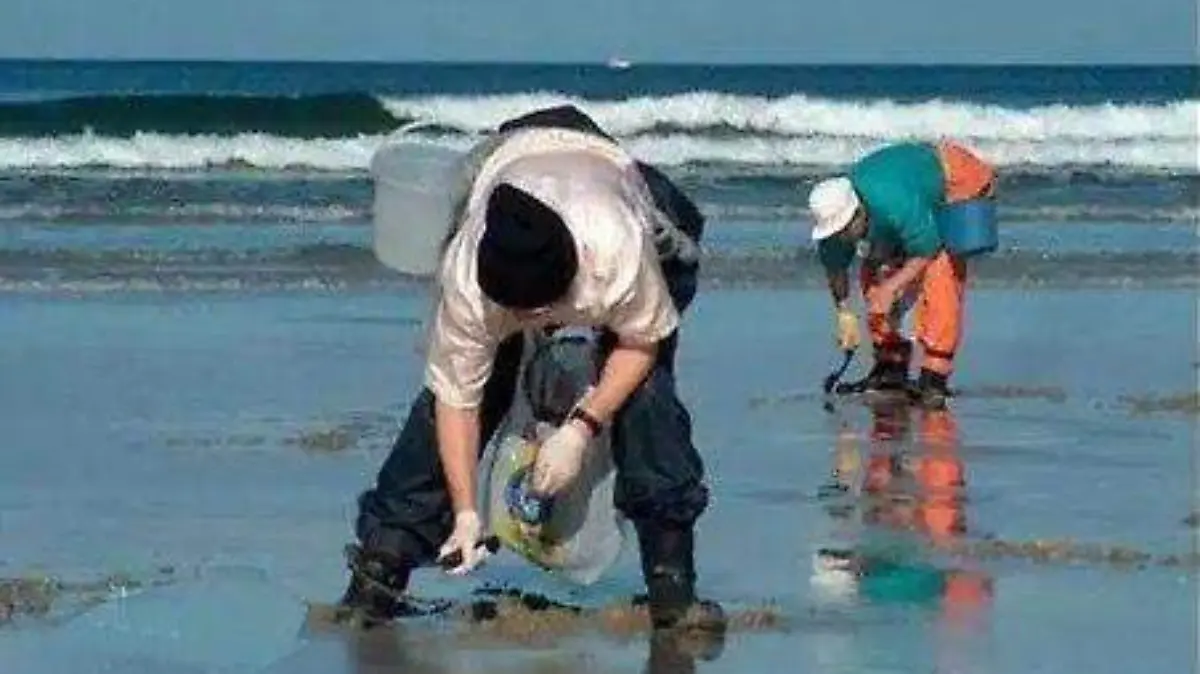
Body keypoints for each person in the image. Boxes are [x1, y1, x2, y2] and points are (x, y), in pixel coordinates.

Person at [337, 104, 725, 635]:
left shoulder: (617, 249)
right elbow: (456, 398)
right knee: (471, 381)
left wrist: (582, 427)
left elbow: (641, 343)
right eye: (515, 316)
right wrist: (467, 511)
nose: (531, 324)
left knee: (647, 397)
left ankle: (672, 587)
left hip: (612, 187)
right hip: (502, 164)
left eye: (537, 313)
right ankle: (380, 573)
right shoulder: (468, 278)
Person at [807, 140, 996, 408]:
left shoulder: (893, 201)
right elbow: (836, 268)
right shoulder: (835, 227)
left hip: (953, 178)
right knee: (874, 267)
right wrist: (843, 312)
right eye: (836, 233)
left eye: (845, 230)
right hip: (905, 199)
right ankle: (890, 363)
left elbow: (928, 247)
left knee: (941, 269)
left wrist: (892, 287)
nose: (842, 237)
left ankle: (935, 373)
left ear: (859, 214)